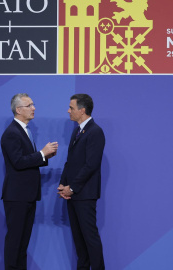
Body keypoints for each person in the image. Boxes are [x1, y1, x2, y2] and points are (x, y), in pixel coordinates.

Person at [1, 93, 58, 270]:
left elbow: (26, 160)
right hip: (17, 196)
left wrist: (45, 156)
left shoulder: (24, 131)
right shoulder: (12, 133)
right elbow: (18, 162)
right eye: (29, 105)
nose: (34, 108)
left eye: (33, 105)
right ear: (19, 110)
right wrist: (41, 153)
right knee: (15, 242)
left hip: (27, 195)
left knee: (23, 243)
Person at [57, 94, 106, 270]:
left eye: (71, 108)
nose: (68, 111)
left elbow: (91, 165)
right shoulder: (77, 131)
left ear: (82, 110)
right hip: (73, 194)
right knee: (79, 241)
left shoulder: (95, 131)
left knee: (90, 239)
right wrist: (63, 185)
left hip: (85, 195)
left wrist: (73, 187)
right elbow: (71, 162)